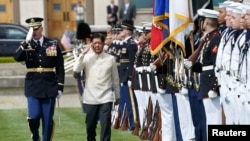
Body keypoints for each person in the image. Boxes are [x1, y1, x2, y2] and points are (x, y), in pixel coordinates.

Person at [13, 17, 65, 141]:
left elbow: (59, 66)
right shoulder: (26, 44)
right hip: (33, 85)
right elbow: (17, 57)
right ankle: (35, 134)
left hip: (49, 85)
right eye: (31, 29)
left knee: (47, 119)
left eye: (36, 28)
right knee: (34, 116)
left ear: (41, 28)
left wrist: (60, 86)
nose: (34, 31)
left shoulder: (52, 44)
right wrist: (26, 42)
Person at [73, 33, 120, 141]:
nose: (97, 45)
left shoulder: (111, 59)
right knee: (90, 126)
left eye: (99, 43)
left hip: (106, 97)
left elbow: (115, 79)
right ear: (91, 45)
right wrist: (82, 54)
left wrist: (117, 95)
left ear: (103, 44)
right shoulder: (87, 58)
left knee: (105, 125)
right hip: (91, 98)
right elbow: (76, 69)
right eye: (95, 43)